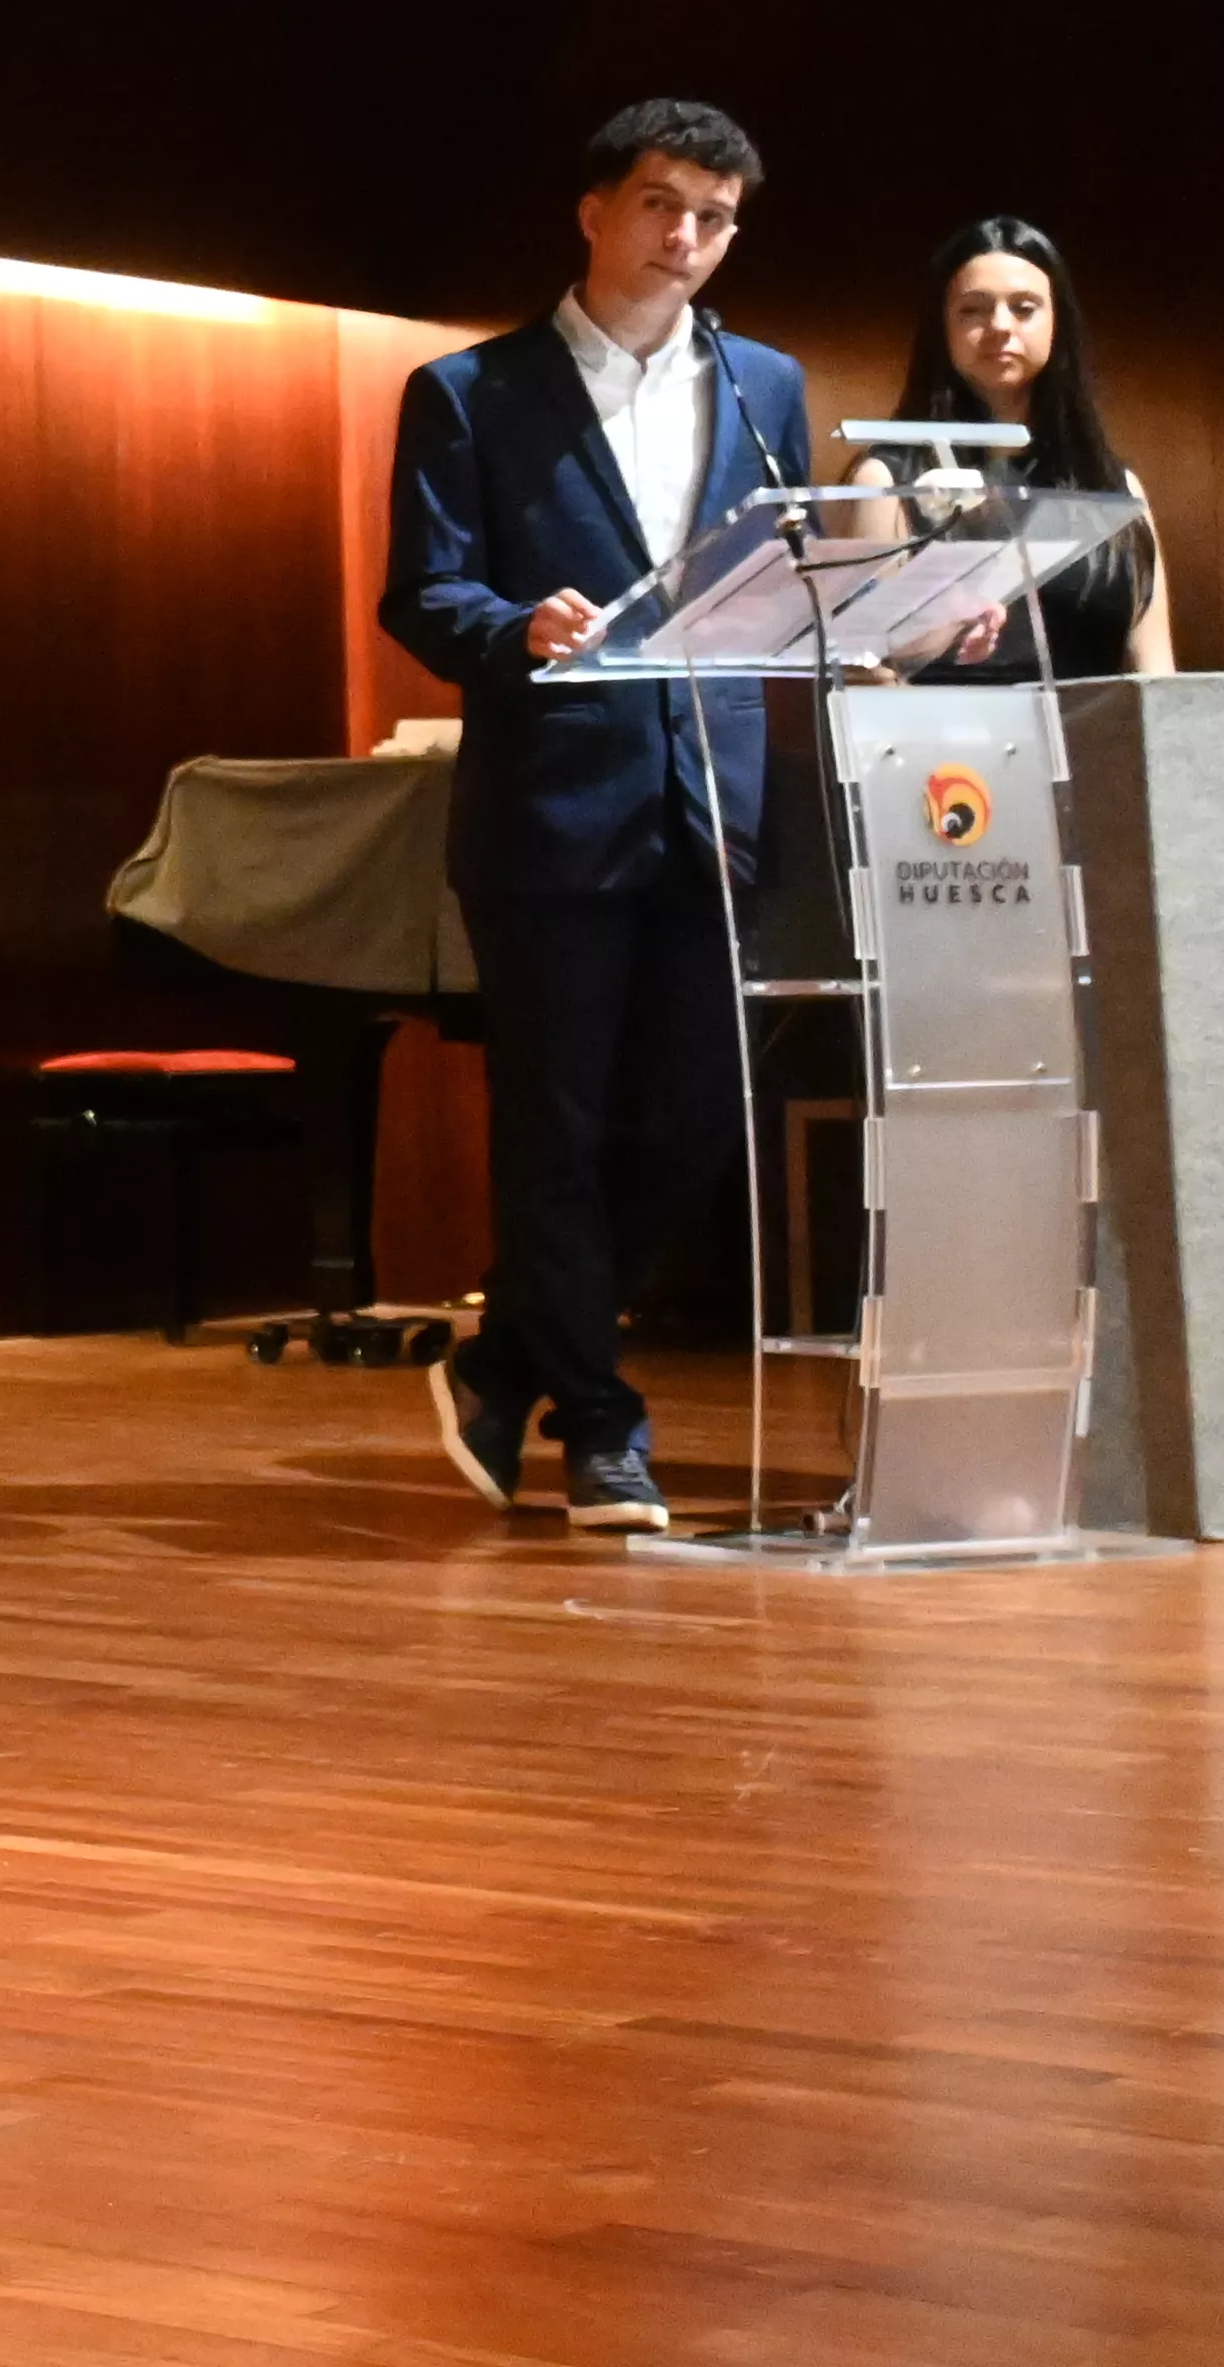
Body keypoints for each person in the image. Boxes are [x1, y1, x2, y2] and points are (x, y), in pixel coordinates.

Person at [379, 99, 815, 1538]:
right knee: (554, 1128)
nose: (683, 237)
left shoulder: (766, 385)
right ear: (593, 210)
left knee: (693, 1121)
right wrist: (518, 627)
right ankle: (603, 1425)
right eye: (659, 204)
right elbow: (422, 596)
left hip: (718, 805)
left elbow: (785, 575)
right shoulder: (469, 391)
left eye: (713, 216)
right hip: (554, 811)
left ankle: (509, 1358)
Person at [859, 216, 1179, 678]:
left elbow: (1155, 671)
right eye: (973, 309)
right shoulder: (888, 481)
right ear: (941, 328)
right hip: (951, 747)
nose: (1000, 326)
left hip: (1097, 744)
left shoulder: (1112, 485)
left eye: (1025, 308)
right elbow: (876, 673)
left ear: (1057, 325)